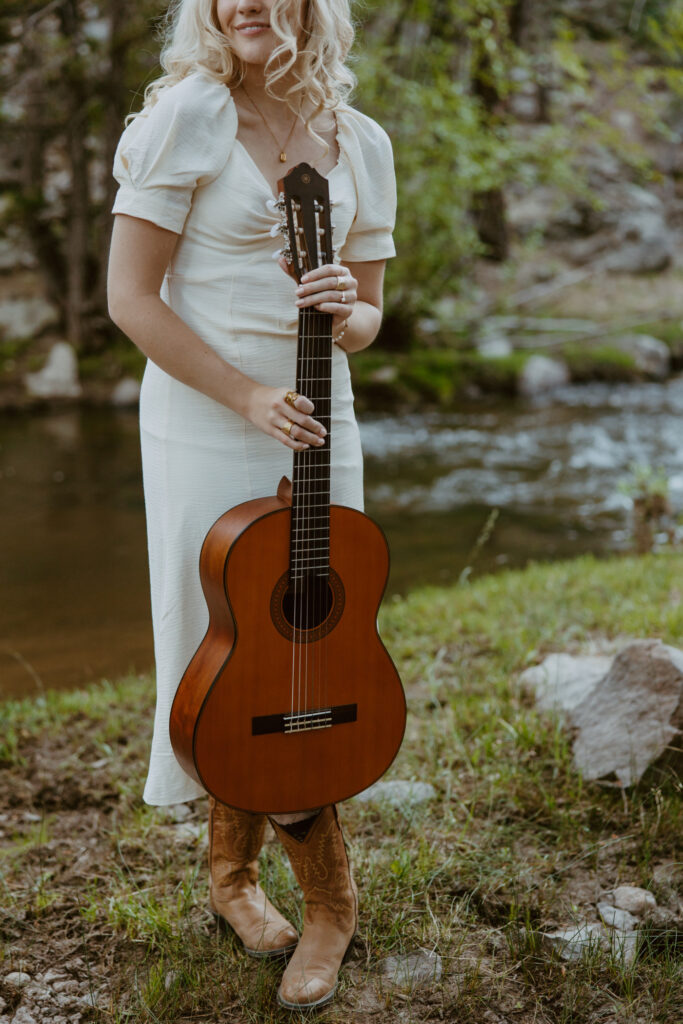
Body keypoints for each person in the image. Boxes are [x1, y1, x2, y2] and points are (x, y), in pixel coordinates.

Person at [107, 0, 396, 1011]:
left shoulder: (358, 140)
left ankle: (322, 900)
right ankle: (236, 879)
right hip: (206, 414)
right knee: (218, 644)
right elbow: (131, 298)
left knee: (312, 636)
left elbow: (367, 315)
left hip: (323, 417)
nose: (247, 5)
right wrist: (245, 395)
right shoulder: (185, 116)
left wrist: (341, 310)